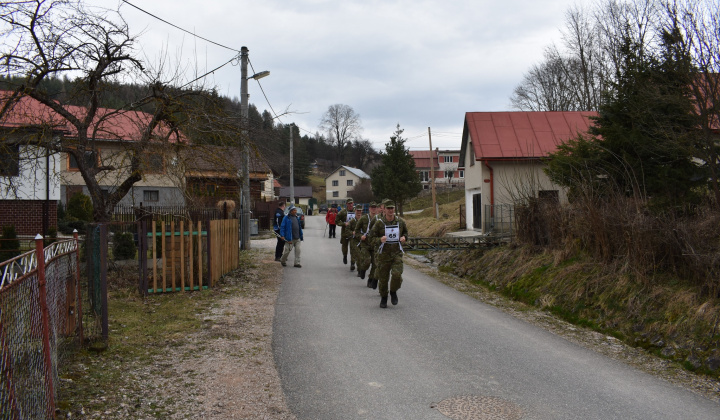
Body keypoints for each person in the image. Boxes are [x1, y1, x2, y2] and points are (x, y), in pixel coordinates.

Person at [369, 200, 408, 308]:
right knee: (383, 278)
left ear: (394, 209)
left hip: (396, 253)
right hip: (383, 255)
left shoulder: (400, 222)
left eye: (392, 208)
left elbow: (406, 233)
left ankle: (393, 291)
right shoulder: (379, 223)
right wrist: (379, 239)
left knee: (397, 274)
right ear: (384, 209)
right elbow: (371, 238)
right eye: (388, 208)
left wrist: (404, 238)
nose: (390, 210)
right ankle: (384, 297)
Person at [354, 202, 378, 283]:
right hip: (365, 244)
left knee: (375, 264)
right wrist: (360, 236)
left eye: (375, 207)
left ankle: (370, 279)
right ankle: (363, 269)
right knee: (367, 261)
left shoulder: (379, 219)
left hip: (375, 245)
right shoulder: (364, 218)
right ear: (369, 208)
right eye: (372, 207)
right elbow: (356, 230)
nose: (373, 209)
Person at [335, 198, 356, 269]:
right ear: (347, 204)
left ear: (353, 203)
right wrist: (344, 224)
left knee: (353, 248)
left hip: (353, 232)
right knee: (344, 246)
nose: (350, 205)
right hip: (344, 232)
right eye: (349, 203)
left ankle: (353, 263)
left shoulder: (356, 211)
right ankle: (345, 255)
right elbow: (336, 221)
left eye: (351, 203)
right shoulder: (342, 212)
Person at [349, 206, 364, 275]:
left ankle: (361, 268)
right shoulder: (352, 221)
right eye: (357, 211)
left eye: (360, 211)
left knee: (362, 255)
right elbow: (347, 230)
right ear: (355, 211)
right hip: (354, 240)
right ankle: (359, 269)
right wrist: (352, 232)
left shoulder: (365, 220)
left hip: (363, 240)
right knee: (357, 254)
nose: (359, 212)